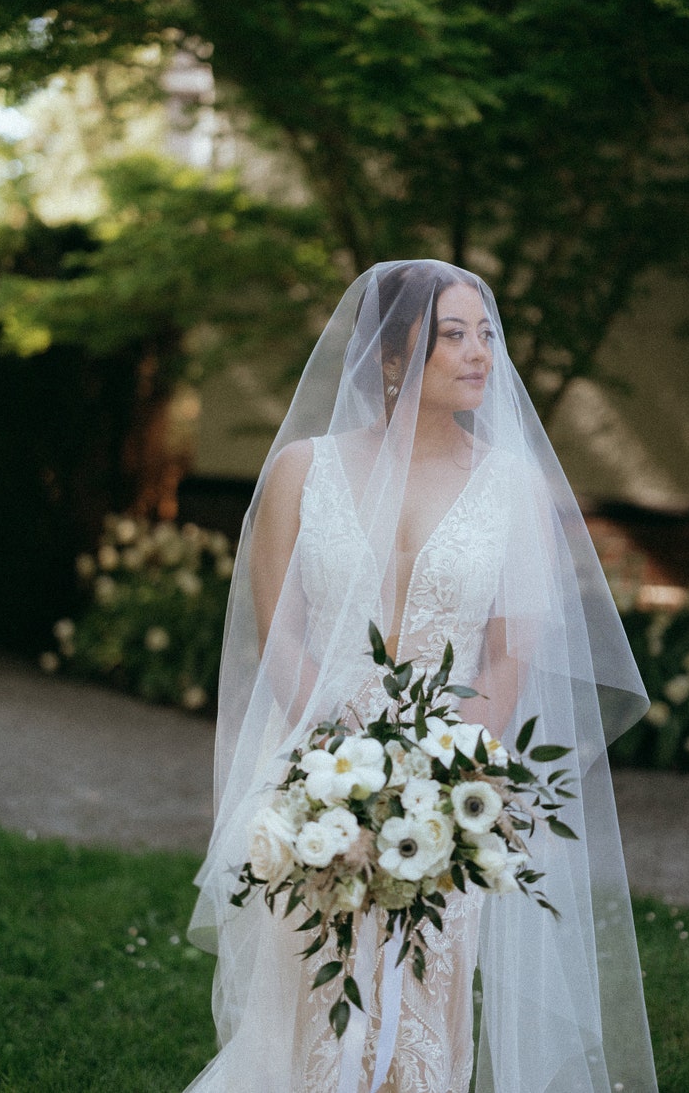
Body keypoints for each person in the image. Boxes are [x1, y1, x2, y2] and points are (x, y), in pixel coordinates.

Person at [185, 261, 658, 1092]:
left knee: (425, 992)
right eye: (453, 334)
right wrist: (336, 763)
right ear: (393, 357)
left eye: (486, 333)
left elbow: (510, 652)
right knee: (309, 989)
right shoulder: (301, 469)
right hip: (314, 766)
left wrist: (447, 770)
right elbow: (281, 632)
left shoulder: (513, 486)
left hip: (455, 781)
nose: (481, 354)